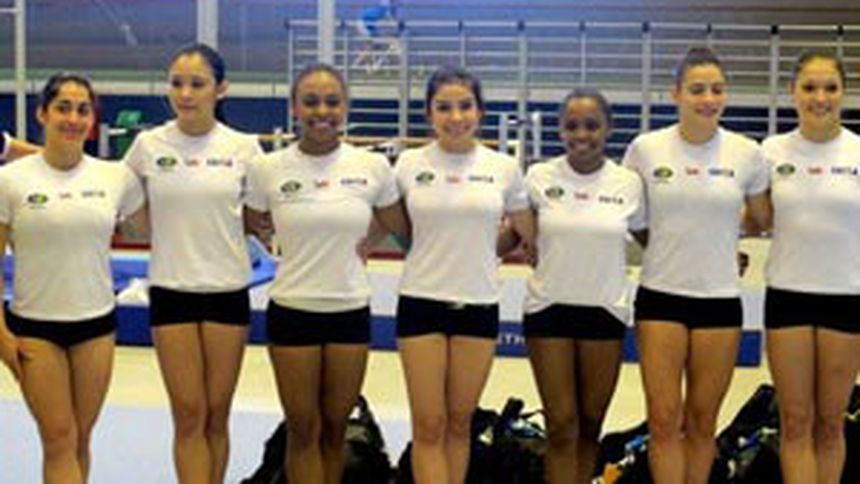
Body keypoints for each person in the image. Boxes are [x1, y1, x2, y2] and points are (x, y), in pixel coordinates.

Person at [245, 63, 408, 484]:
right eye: (311, 102)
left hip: (349, 310)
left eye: (332, 102)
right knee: (303, 430)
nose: (322, 111)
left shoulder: (372, 166)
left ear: (345, 107)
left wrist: (369, 242)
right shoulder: (268, 169)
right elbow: (249, 222)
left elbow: (403, 227)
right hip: (292, 309)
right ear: (294, 107)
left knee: (335, 430)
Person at [621, 46, 771, 484]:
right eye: (697, 89)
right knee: (664, 419)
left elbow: (762, 218)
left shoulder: (747, 153)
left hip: (719, 301)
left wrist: (723, 242)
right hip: (661, 297)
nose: (708, 99)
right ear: (676, 94)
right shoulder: (646, 149)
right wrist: (670, 247)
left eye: (717, 90)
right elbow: (636, 220)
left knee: (703, 422)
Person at [123, 44, 263, 484]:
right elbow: (119, 200)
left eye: (197, 84)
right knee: (188, 414)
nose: (185, 94)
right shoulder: (148, 145)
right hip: (172, 291)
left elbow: (263, 213)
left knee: (216, 415)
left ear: (220, 89)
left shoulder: (244, 148)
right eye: (177, 84)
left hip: (227, 291)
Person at [0, 73, 145, 484]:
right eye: (63, 107)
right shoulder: (10, 180)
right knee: (58, 439)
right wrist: (1, 333)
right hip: (35, 328)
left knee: (80, 438)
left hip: (95, 327)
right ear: (42, 114)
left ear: (93, 120)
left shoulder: (115, 177)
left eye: (83, 110)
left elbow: (157, 223)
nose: (73, 118)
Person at [394, 65, 535, 484]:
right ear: (428, 113)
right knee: (429, 425)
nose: (455, 117)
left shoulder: (504, 167)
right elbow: (389, 225)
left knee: (459, 424)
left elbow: (528, 232)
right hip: (421, 302)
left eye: (465, 106)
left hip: (478, 304)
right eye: (444, 107)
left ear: (480, 111)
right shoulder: (408, 164)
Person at [523, 88, 645, 484]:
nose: (581, 135)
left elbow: (657, 242)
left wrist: (719, 255)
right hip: (548, 311)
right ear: (560, 130)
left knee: (591, 424)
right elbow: (515, 234)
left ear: (608, 128)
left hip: (605, 311)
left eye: (591, 125)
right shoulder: (538, 177)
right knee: (561, 425)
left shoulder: (628, 183)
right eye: (571, 126)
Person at [762, 50, 860, 484]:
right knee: (796, 421)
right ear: (793, 93)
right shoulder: (770, 152)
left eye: (830, 88)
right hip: (788, 295)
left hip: (847, 296)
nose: (820, 98)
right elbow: (749, 217)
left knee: (831, 423)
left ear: (844, 93)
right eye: (809, 88)